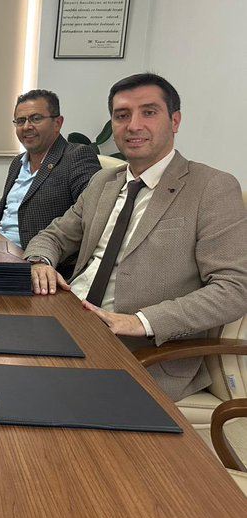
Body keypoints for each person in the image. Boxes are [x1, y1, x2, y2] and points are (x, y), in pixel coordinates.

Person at [25, 73, 247, 402]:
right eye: (122, 115)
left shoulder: (211, 188)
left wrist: (141, 322)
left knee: (28, 397)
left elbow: (233, 289)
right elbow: (55, 234)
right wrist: (40, 261)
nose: (133, 125)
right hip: (67, 321)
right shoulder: (103, 182)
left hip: (138, 351)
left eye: (149, 112)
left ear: (175, 121)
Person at [0, 89, 100, 267]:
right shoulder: (17, 163)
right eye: (20, 121)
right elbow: (6, 216)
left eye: (36, 119)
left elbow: (91, 216)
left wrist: (41, 256)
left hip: (38, 262)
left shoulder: (76, 156)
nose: (26, 127)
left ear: (57, 123)